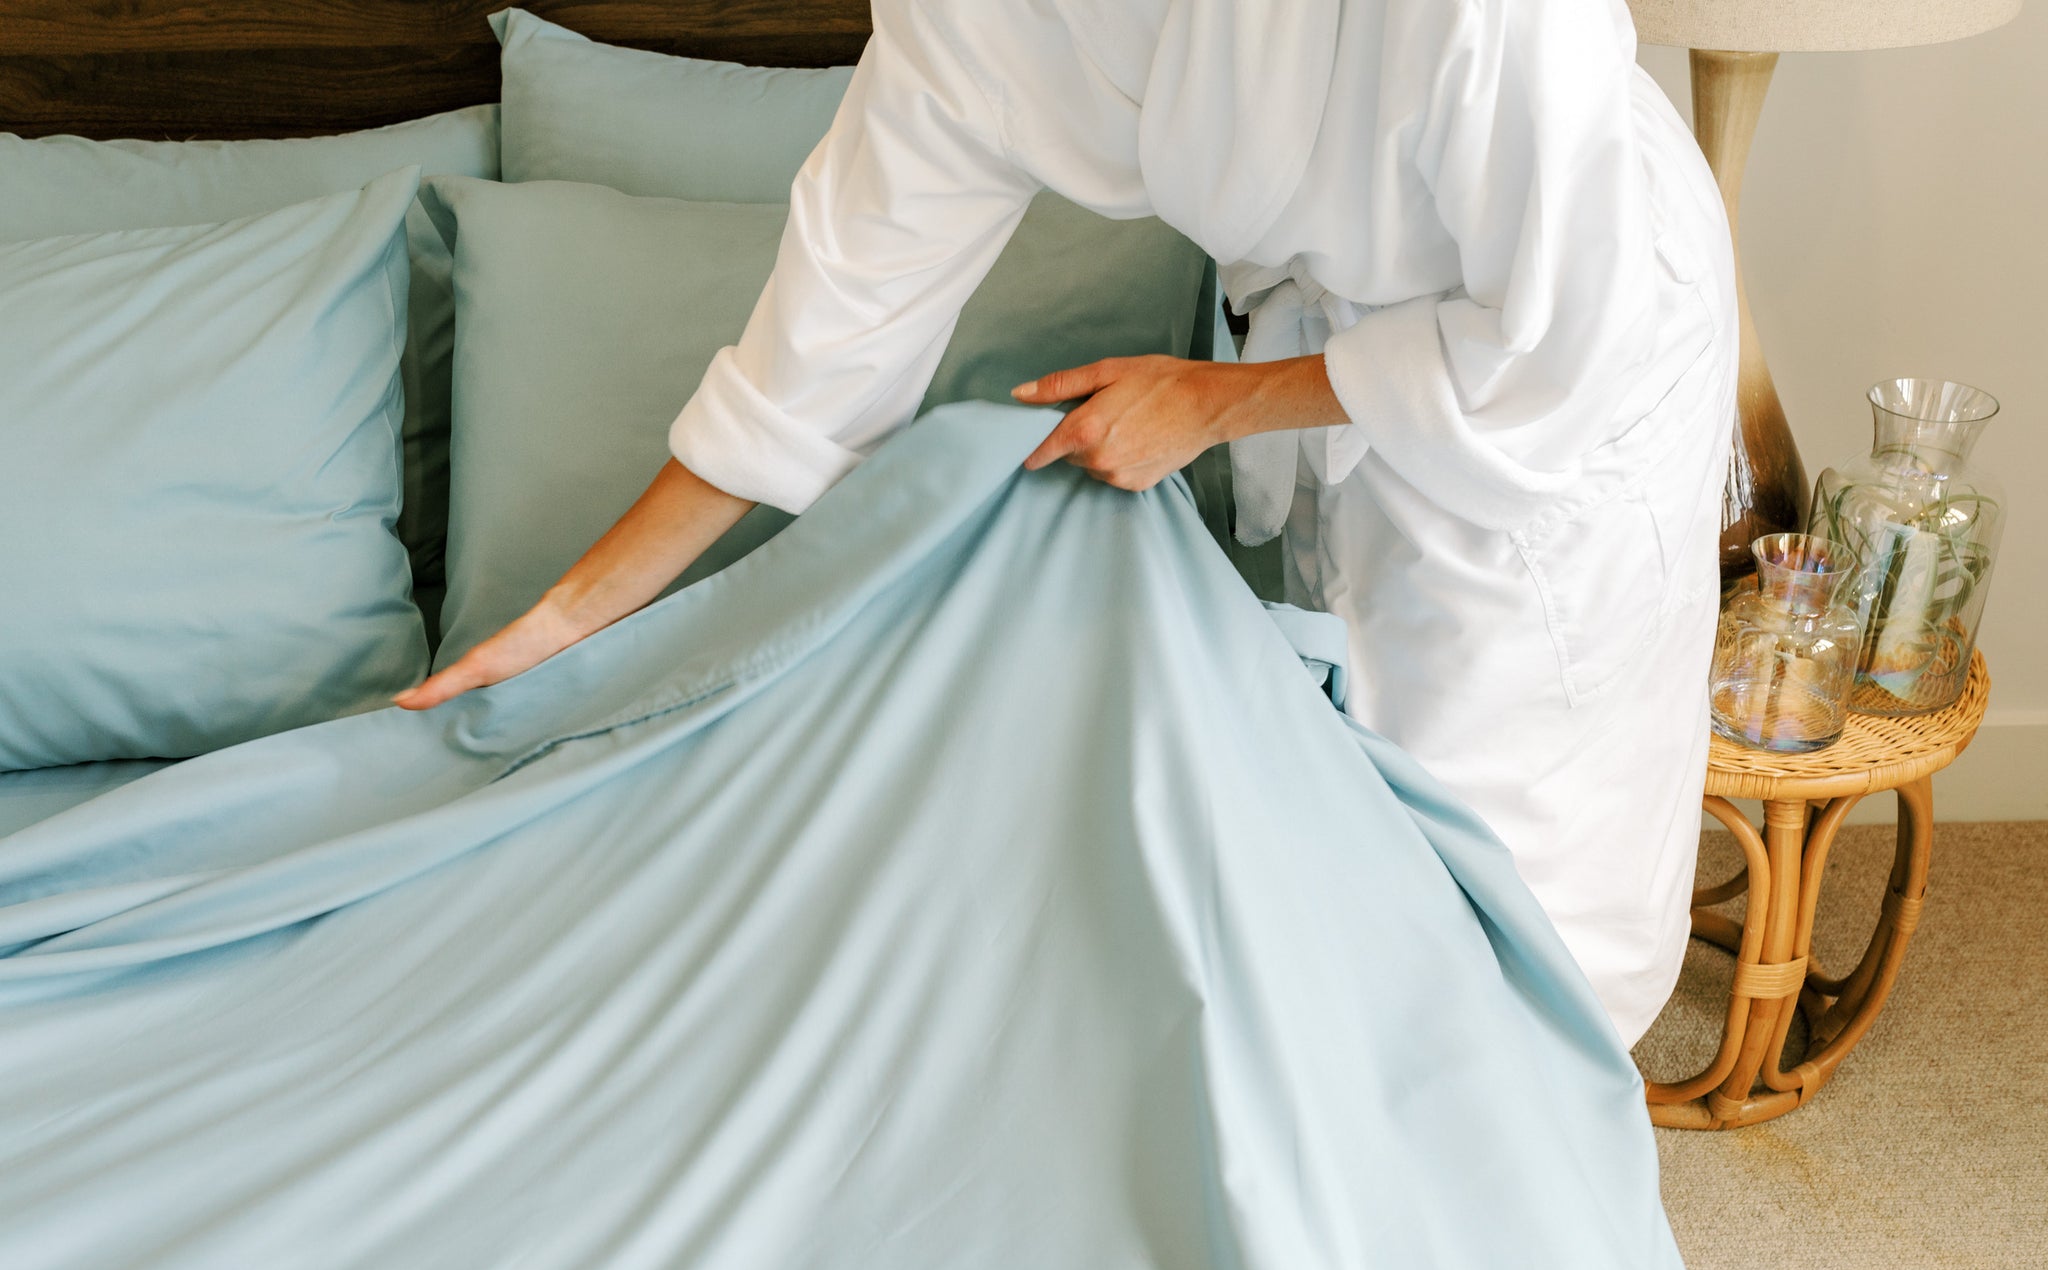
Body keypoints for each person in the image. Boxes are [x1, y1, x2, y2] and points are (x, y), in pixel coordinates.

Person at [397, 0, 1738, 1045]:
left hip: (1570, 359)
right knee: (1387, 861)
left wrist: (1216, 402)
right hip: (1367, 358)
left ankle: (1545, 1228)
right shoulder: (969, 28)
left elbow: (1567, 336)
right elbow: (813, 359)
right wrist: (569, 616)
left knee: (1525, 883)